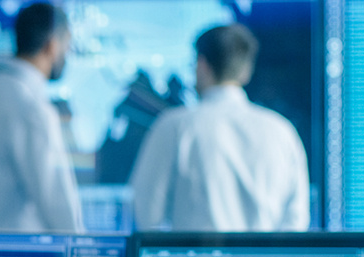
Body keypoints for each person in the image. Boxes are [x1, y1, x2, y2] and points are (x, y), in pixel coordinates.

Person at [129, 23, 310, 232]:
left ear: (202, 65)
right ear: (245, 72)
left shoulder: (174, 127)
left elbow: (146, 214)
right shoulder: (282, 131)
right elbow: (296, 220)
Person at [0, 2, 83, 233]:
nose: (68, 54)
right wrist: (85, 256)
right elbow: (58, 205)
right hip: (25, 256)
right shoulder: (31, 106)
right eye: (67, 45)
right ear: (52, 46)